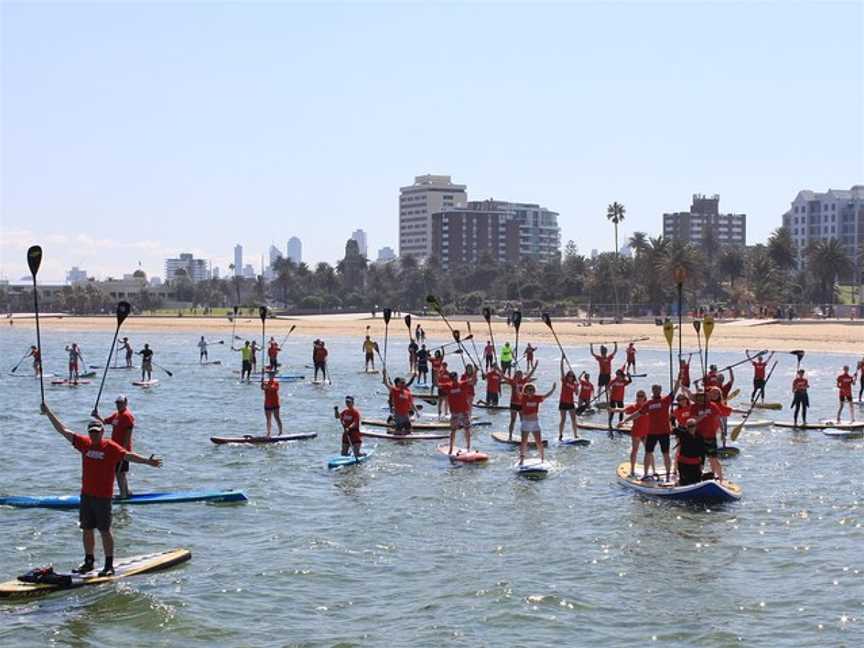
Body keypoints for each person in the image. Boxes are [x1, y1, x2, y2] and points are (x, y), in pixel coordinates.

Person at [42, 403, 161, 576]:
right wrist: (48, 413)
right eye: (92, 432)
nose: (95, 434)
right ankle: (89, 561)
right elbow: (62, 430)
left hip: (103, 497)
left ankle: (108, 565)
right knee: (87, 529)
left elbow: (128, 455)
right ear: (89, 433)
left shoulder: (110, 447)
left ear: (102, 432)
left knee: (105, 531)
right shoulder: (84, 444)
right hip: (87, 495)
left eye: (97, 431)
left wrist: (147, 461)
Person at [625, 383, 679, 482]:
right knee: (648, 452)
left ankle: (667, 475)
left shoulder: (665, 400)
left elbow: (675, 390)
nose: (656, 391)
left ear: (660, 390)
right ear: (652, 390)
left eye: (658, 389)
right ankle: (646, 474)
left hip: (664, 432)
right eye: (654, 389)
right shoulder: (649, 403)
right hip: (651, 432)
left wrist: (679, 378)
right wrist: (626, 420)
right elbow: (638, 413)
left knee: (665, 453)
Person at [97, 394, 136, 499]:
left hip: (123, 449)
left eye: (121, 403)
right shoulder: (116, 415)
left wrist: (123, 450)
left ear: (125, 403)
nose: (118, 405)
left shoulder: (127, 416)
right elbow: (105, 422)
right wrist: (96, 416)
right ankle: (126, 492)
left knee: (119, 472)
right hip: (115, 449)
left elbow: (128, 434)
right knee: (120, 472)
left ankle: (123, 495)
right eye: (117, 403)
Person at [691, 388, 731, 481]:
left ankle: (720, 478)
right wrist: (702, 416)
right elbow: (693, 420)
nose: (701, 399)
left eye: (703, 396)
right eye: (699, 397)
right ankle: (697, 478)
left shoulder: (713, 406)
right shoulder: (694, 407)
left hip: (711, 436)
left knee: (713, 458)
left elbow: (719, 419)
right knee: (699, 459)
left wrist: (722, 432)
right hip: (698, 436)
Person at [517, 382, 557, 465]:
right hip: (526, 423)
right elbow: (517, 392)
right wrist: (517, 385)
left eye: (532, 390)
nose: (531, 391)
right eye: (529, 390)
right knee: (524, 442)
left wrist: (553, 389)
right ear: (525, 391)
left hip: (535, 423)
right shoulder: (523, 397)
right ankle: (522, 460)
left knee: (539, 442)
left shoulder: (537, 398)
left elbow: (546, 396)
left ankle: (542, 458)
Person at [619, 390, 650, 478]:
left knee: (649, 452)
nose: (639, 398)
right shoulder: (634, 406)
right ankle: (632, 470)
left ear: (644, 397)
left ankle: (651, 470)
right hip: (636, 431)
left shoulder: (648, 406)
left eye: (641, 396)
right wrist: (613, 409)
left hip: (647, 432)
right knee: (635, 450)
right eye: (638, 396)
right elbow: (623, 410)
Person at [445, 370, 477, 453]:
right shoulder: (448, 386)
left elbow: (472, 381)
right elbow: (437, 384)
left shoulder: (461, 384)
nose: (455, 379)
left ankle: (468, 447)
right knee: (453, 430)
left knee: (466, 429)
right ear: (453, 378)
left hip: (463, 411)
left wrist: (475, 371)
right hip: (456, 412)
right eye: (454, 378)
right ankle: (451, 448)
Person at [503, 364, 538, 440]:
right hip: (513, 403)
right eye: (518, 374)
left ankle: (525, 436)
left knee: (523, 421)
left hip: (522, 404)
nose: (520, 375)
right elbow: (504, 377)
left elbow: (530, 375)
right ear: (516, 375)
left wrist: (534, 367)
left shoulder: (524, 381)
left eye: (521, 374)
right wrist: (498, 370)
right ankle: (510, 436)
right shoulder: (513, 381)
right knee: (513, 420)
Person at [674, 419, 707, 486]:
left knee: (696, 481)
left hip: (695, 464)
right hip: (684, 464)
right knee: (685, 483)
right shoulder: (683, 434)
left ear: (696, 426)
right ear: (687, 427)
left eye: (693, 426)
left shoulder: (700, 437)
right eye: (689, 426)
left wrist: (702, 464)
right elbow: (674, 429)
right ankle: (679, 482)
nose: (691, 428)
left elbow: (703, 451)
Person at [382, 370, 416, 435]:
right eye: (402, 383)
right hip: (398, 414)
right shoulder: (394, 390)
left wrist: (416, 411)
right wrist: (384, 374)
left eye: (404, 383)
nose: (404, 384)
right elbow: (386, 383)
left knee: (409, 430)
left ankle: (395, 431)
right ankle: (391, 432)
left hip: (406, 414)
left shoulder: (407, 391)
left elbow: (411, 402)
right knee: (398, 431)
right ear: (398, 383)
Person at [558, 359, 581, 441]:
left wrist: (577, 387)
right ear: (567, 376)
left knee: (573, 419)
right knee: (563, 419)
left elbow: (577, 394)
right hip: (563, 402)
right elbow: (561, 369)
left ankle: (575, 435)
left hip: (570, 403)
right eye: (569, 376)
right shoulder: (564, 381)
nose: (570, 377)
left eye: (572, 376)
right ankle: (560, 435)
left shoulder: (574, 384)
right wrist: (562, 361)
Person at [262, 372, 283, 437]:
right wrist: (262, 384)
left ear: (274, 376)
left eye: (272, 375)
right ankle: (268, 433)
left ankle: (280, 432)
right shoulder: (265, 383)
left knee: (277, 417)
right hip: (267, 403)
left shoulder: (276, 383)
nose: (271, 376)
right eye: (270, 375)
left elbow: (272, 388)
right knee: (268, 419)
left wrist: (265, 385)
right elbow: (263, 388)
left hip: (275, 403)